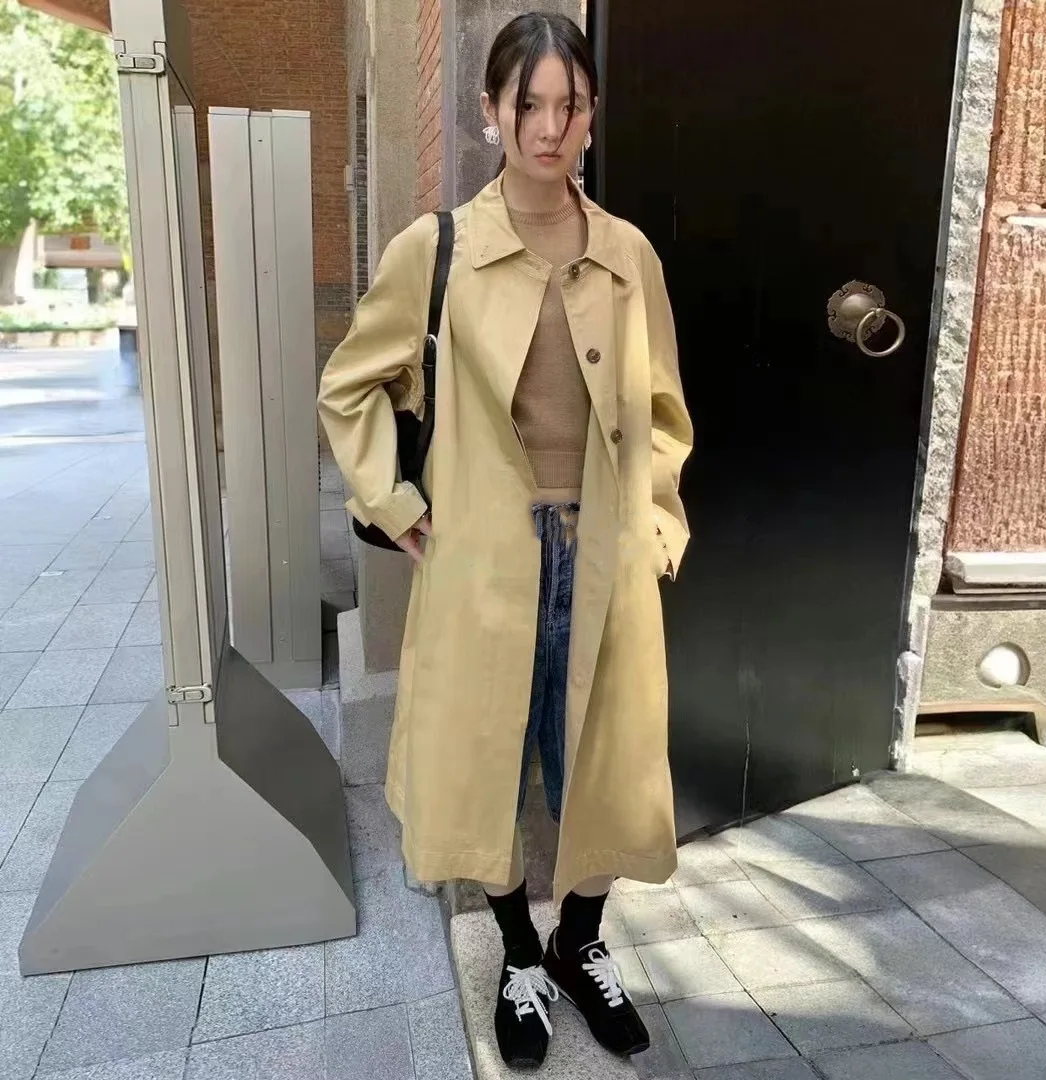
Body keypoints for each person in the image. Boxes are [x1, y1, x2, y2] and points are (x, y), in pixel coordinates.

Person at [318, 11, 692, 1068]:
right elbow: (350, 384)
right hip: (486, 559)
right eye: (528, 103)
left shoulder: (627, 254)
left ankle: (580, 942)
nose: (549, 126)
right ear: (491, 112)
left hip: (606, 557)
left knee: (609, 764)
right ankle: (519, 954)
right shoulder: (436, 249)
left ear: (591, 114)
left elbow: (662, 407)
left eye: (568, 104)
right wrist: (397, 505)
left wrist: (658, 523)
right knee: (487, 762)